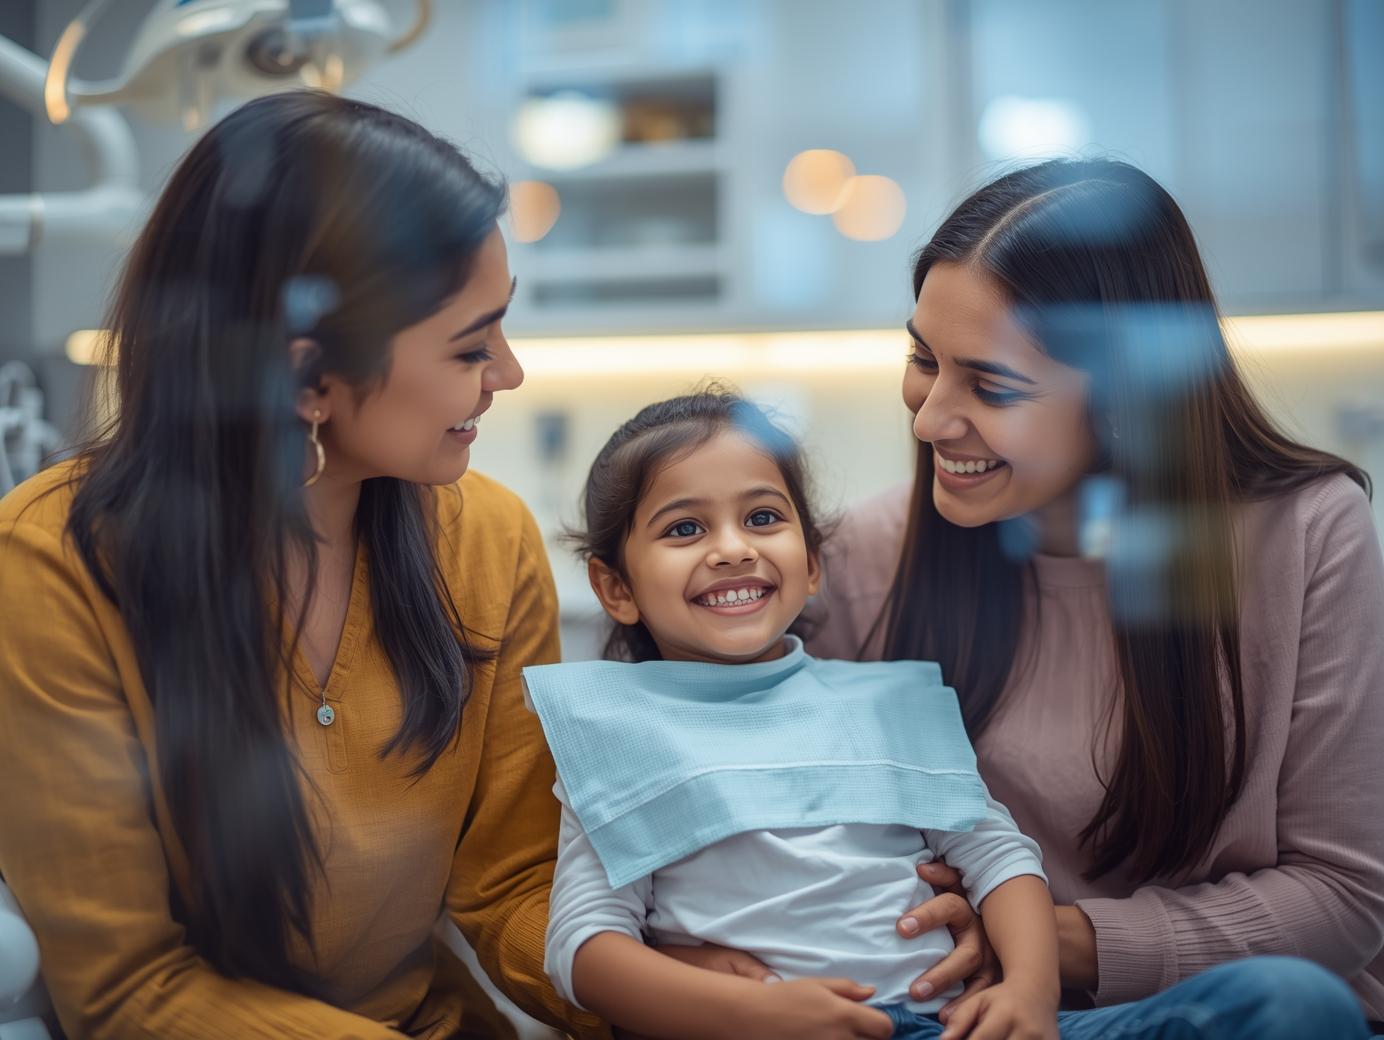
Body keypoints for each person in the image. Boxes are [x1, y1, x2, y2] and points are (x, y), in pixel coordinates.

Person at [670, 159, 1384, 1035]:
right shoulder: (857, 556)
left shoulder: (1307, 532)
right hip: (949, 1017)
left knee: (1290, 1007)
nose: (930, 419)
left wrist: (1043, 942)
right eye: (922, 360)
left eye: (993, 386)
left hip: (1210, 1015)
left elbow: (1345, 897)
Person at [0, 91, 602, 1040]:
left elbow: (513, 884)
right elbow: (128, 989)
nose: (509, 373)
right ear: (307, 378)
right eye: (470, 346)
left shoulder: (488, 538)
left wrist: (676, 991)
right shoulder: (51, 562)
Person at [527, 388, 1371, 1040]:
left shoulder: (889, 700)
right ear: (614, 587)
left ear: (814, 563)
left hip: (955, 1025)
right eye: (684, 529)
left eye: (763, 517)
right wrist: (746, 1017)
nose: (733, 548)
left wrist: (1029, 995)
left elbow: (998, 856)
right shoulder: (614, 735)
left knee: (1288, 1002)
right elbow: (584, 946)